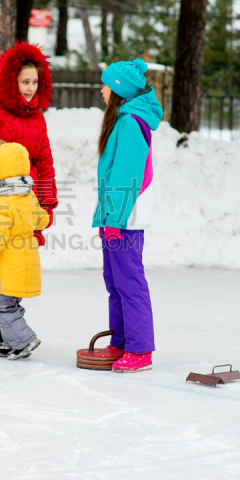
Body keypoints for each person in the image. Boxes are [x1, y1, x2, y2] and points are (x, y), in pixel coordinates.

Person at [0, 42, 58, 351]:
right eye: (24, 82)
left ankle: (10, 330)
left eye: (35, 82)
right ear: (11, 81)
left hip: (26, 205)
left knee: (13, 264)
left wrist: (46, 204)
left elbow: (45, 163)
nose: (30, 89)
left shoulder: (38, 119)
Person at [93, 59, 163, 373]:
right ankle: (121, 340)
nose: (101, 90)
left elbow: (125, 177)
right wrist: (104, 217)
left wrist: (114, 220)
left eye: (105, 84)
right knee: (115, 281)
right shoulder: (123, 120)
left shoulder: (130, 123)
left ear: (118, 90)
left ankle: (140, 349)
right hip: (117, 218)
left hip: (126, 221)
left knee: (129, 282)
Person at [0, 140, 49, 360]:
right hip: (26, 260)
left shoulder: (1, 200)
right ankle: (12, 340)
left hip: (8, 265)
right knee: (10, 304)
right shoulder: (27, 193)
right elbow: (41, 220)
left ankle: (24, 340)